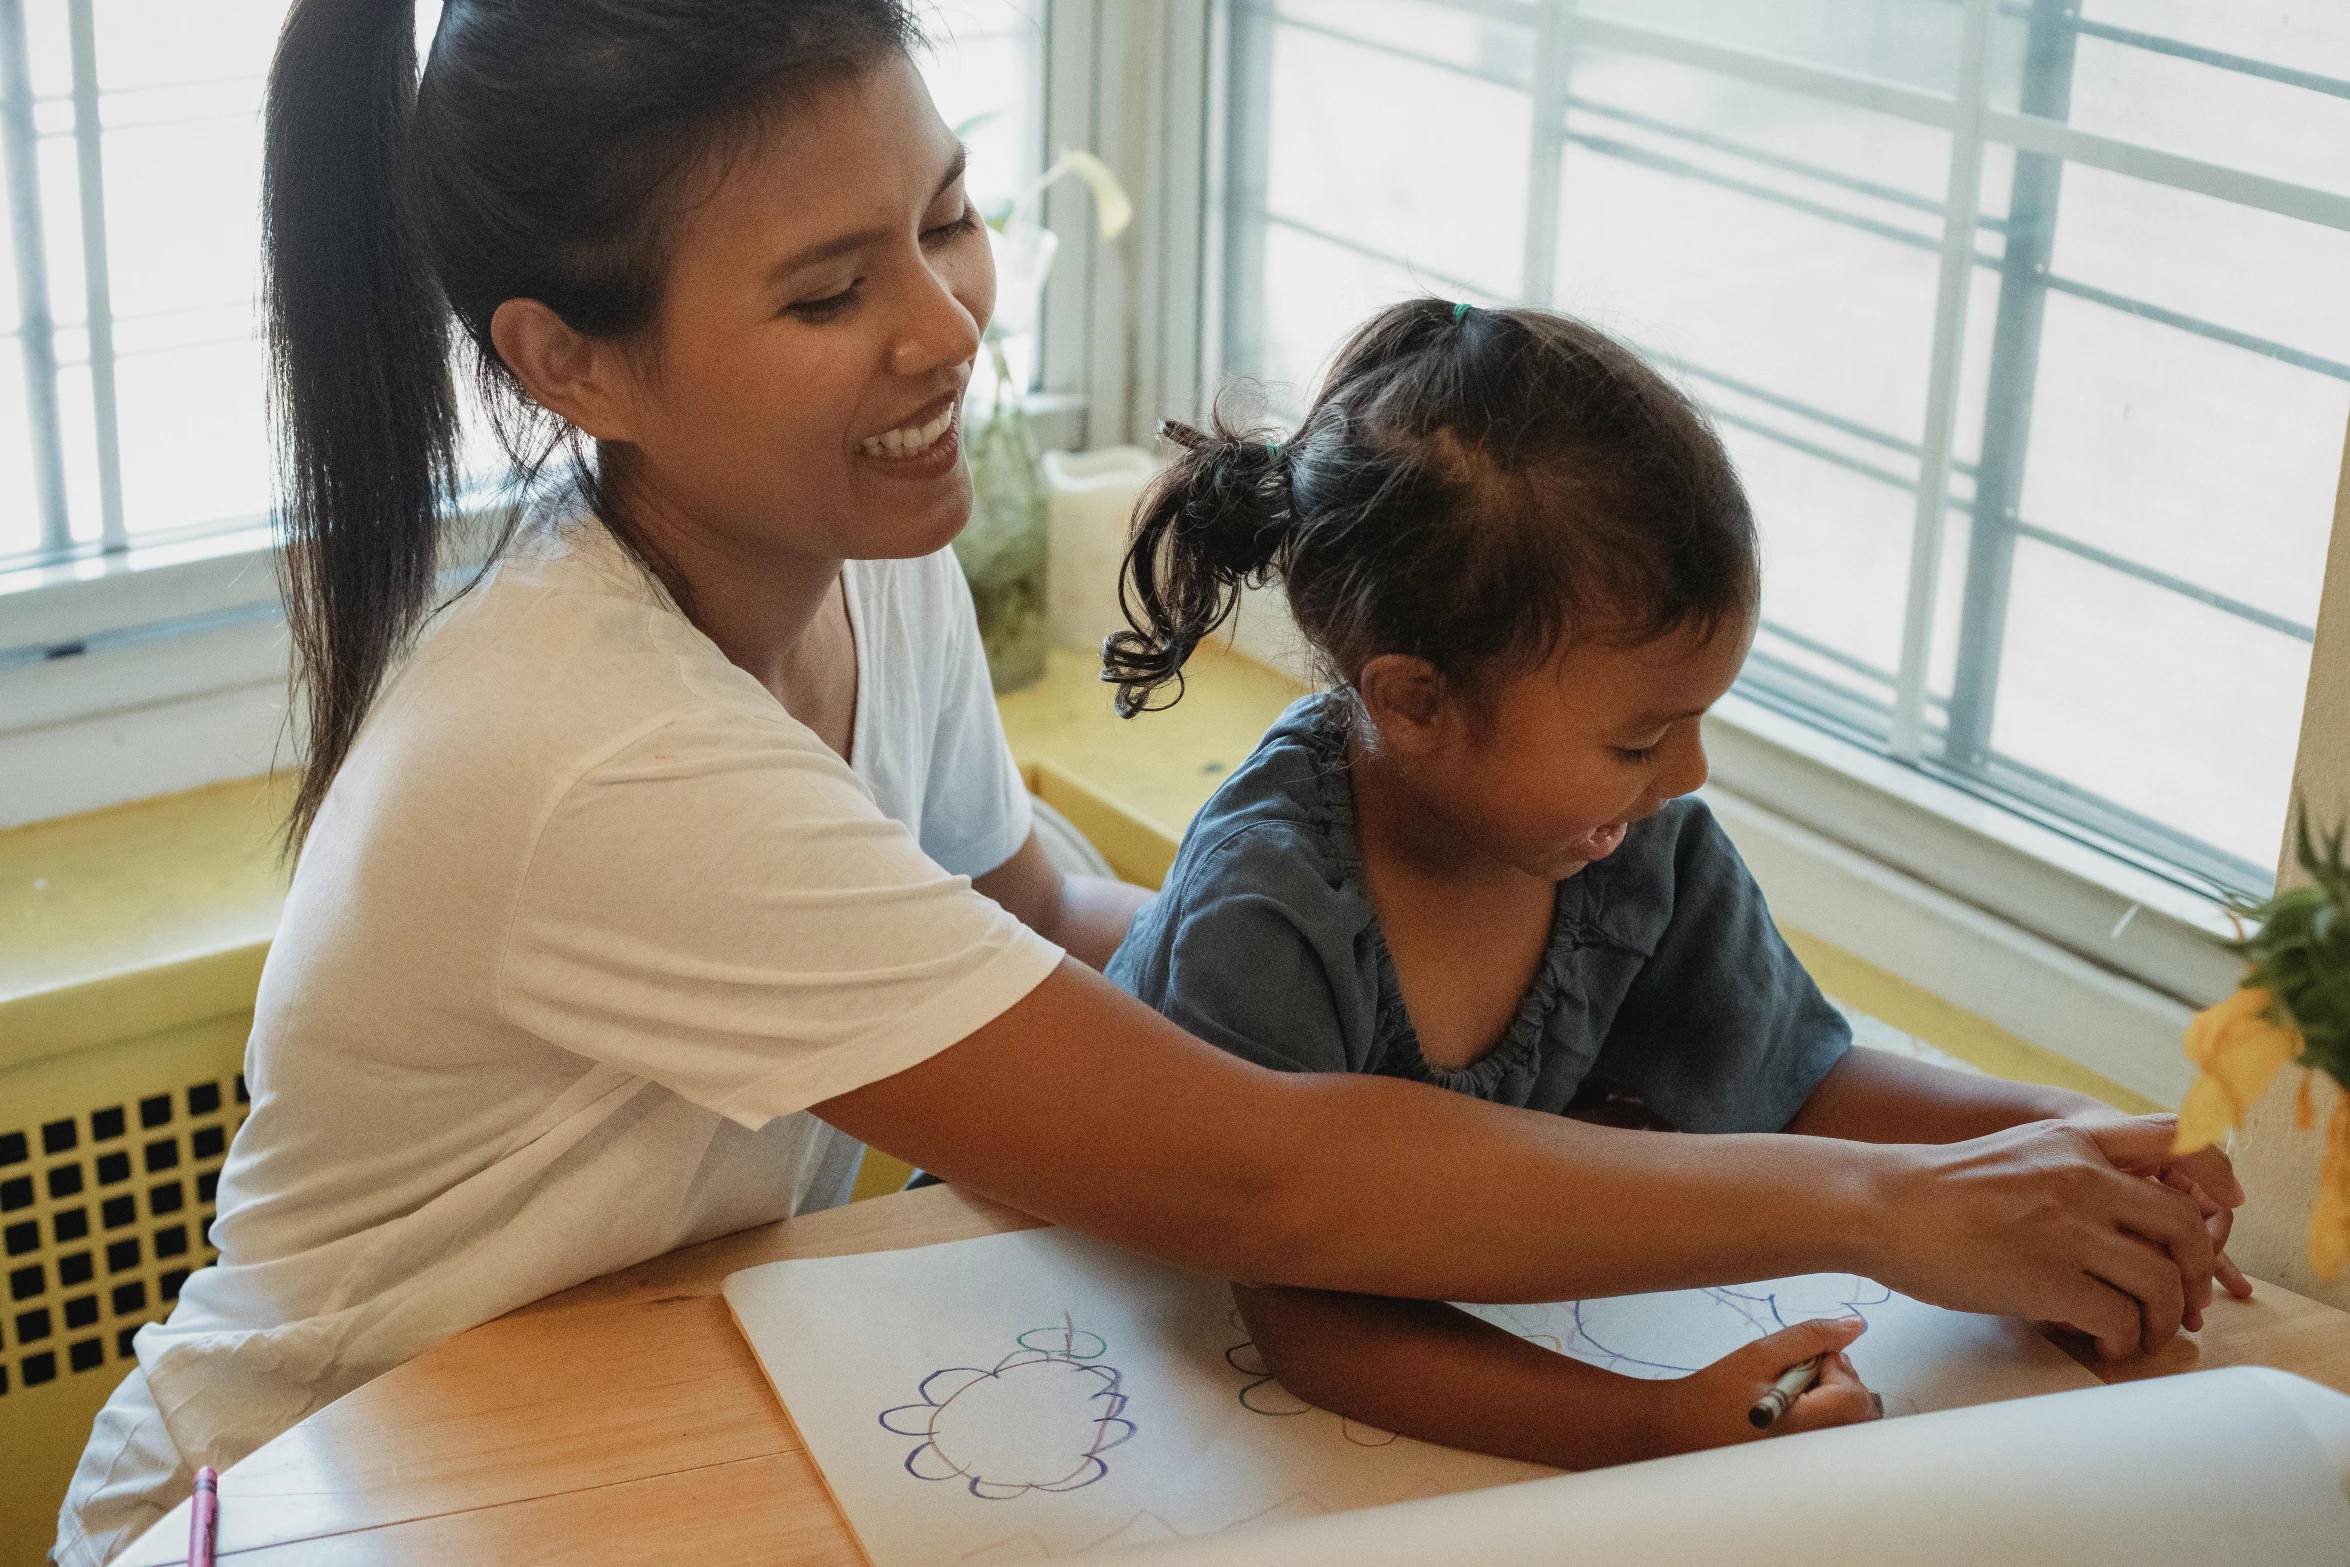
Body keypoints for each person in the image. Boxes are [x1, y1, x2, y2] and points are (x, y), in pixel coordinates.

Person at [55, 4, 2234, 1561]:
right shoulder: (586, 747)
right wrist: (1880, 1207)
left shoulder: (851, 551)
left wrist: (2007, 1142)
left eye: (948, 216)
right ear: (567, 360)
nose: (942, 332)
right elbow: (1251, 1177)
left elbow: (1062, 944)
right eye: (831, 289)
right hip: (343, 1480)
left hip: (648, 1382)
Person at [1103, 298, 2252, 1471]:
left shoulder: (1631, 847)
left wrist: (2058, 1136)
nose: (1687, 776)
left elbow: (1795, 1084)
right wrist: (1648, 1425)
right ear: (1412, 701)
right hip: (1078, 1337)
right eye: (1638, 739)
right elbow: (1312, 1313)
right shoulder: (1268, 904)